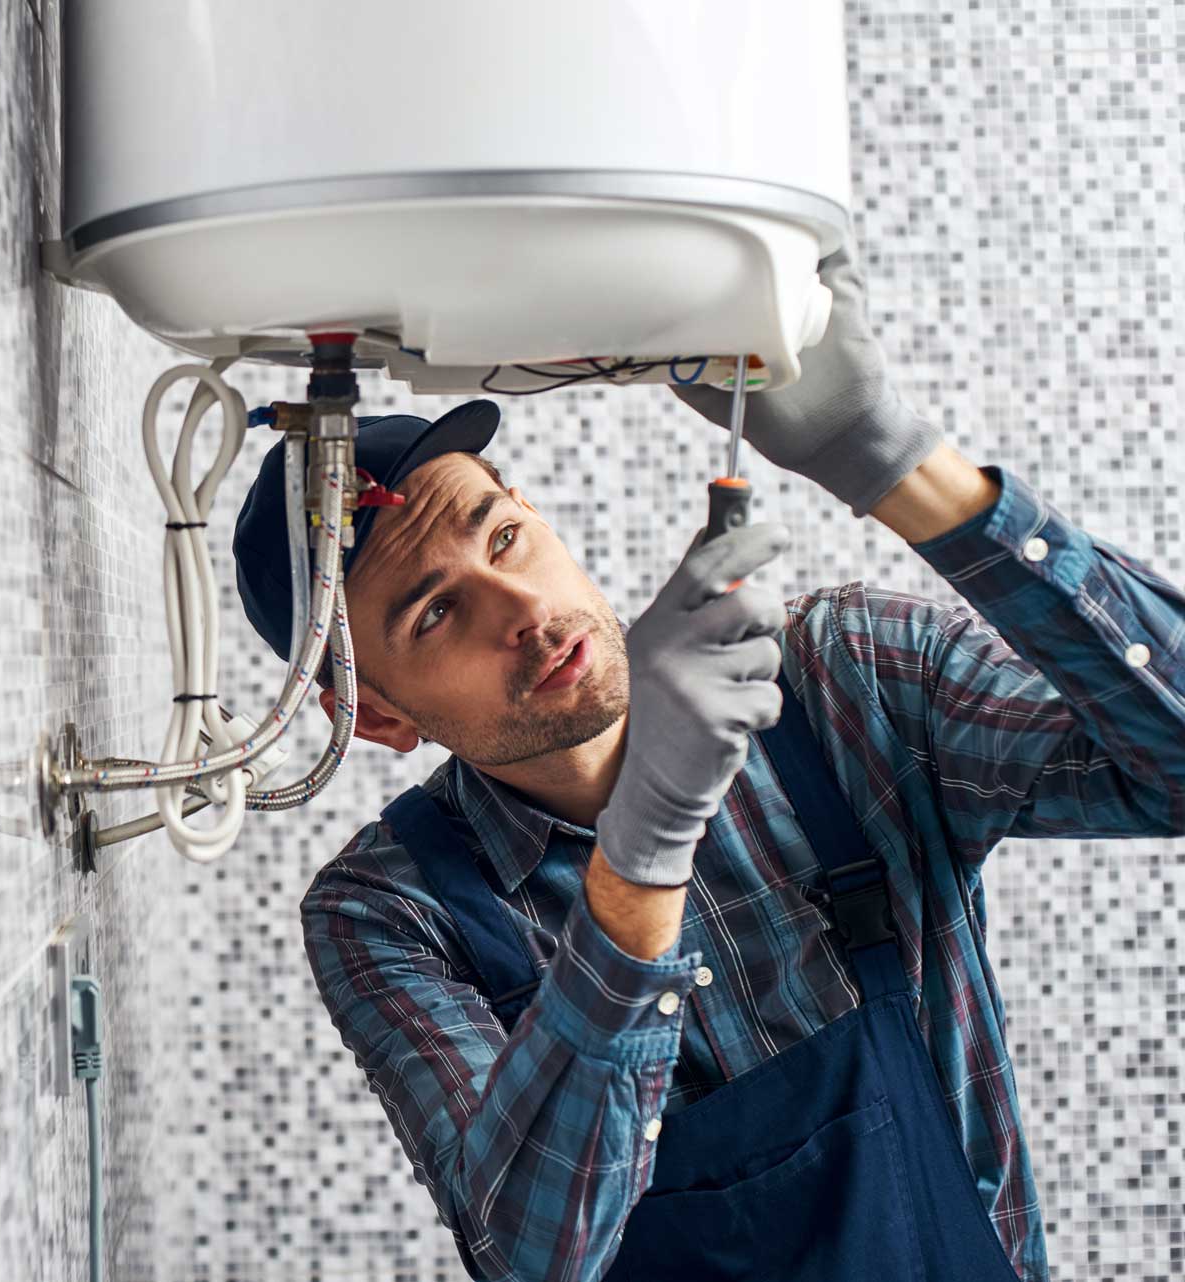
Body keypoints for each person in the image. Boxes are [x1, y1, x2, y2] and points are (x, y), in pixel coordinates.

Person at [228, 245, 1185, 1282]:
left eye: (501, 537)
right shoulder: (389, 912)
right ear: (375, 715)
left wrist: (896, 462)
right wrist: (643, 853)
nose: (525, 613)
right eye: (436, 612)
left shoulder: (842, 680)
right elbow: (537, 1253)